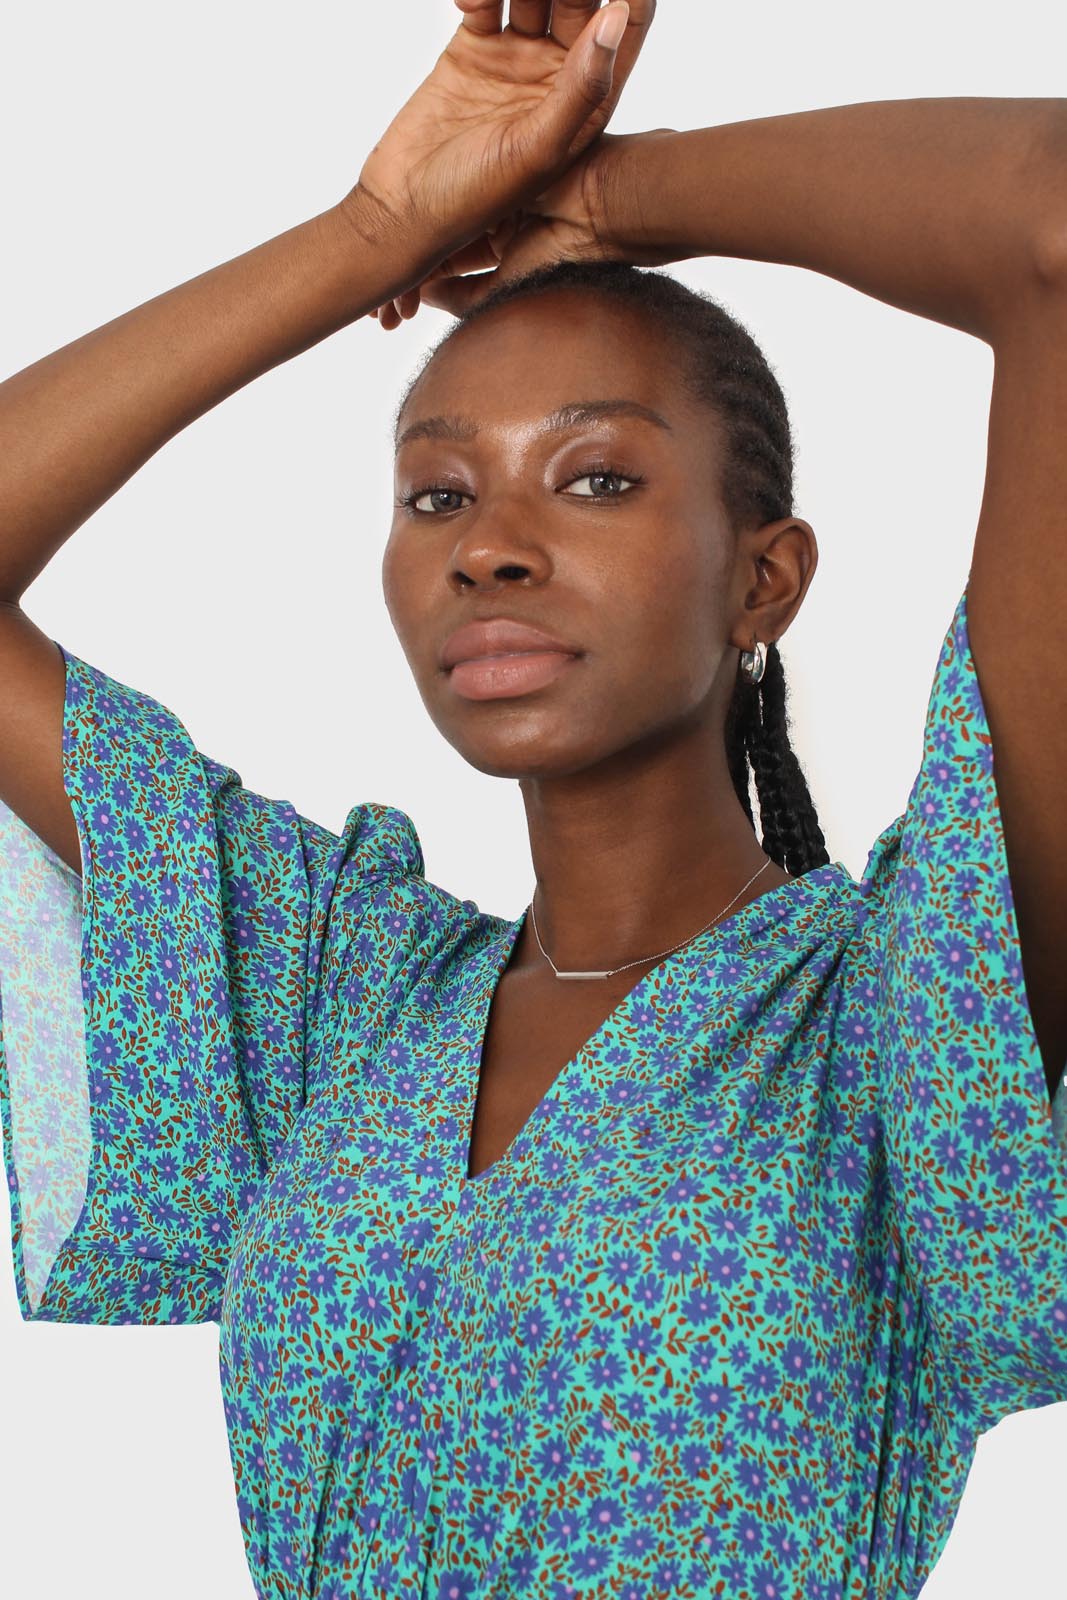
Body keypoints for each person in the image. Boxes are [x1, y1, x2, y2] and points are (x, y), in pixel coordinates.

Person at [1, 2, 1065, 1595]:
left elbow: (1051, 214)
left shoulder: (903, 1014)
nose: (488, 547)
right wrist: (375, 233)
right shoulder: (347, 999)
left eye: (597, 478)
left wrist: (607, 194)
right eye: (438, 492)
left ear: (764, 581)